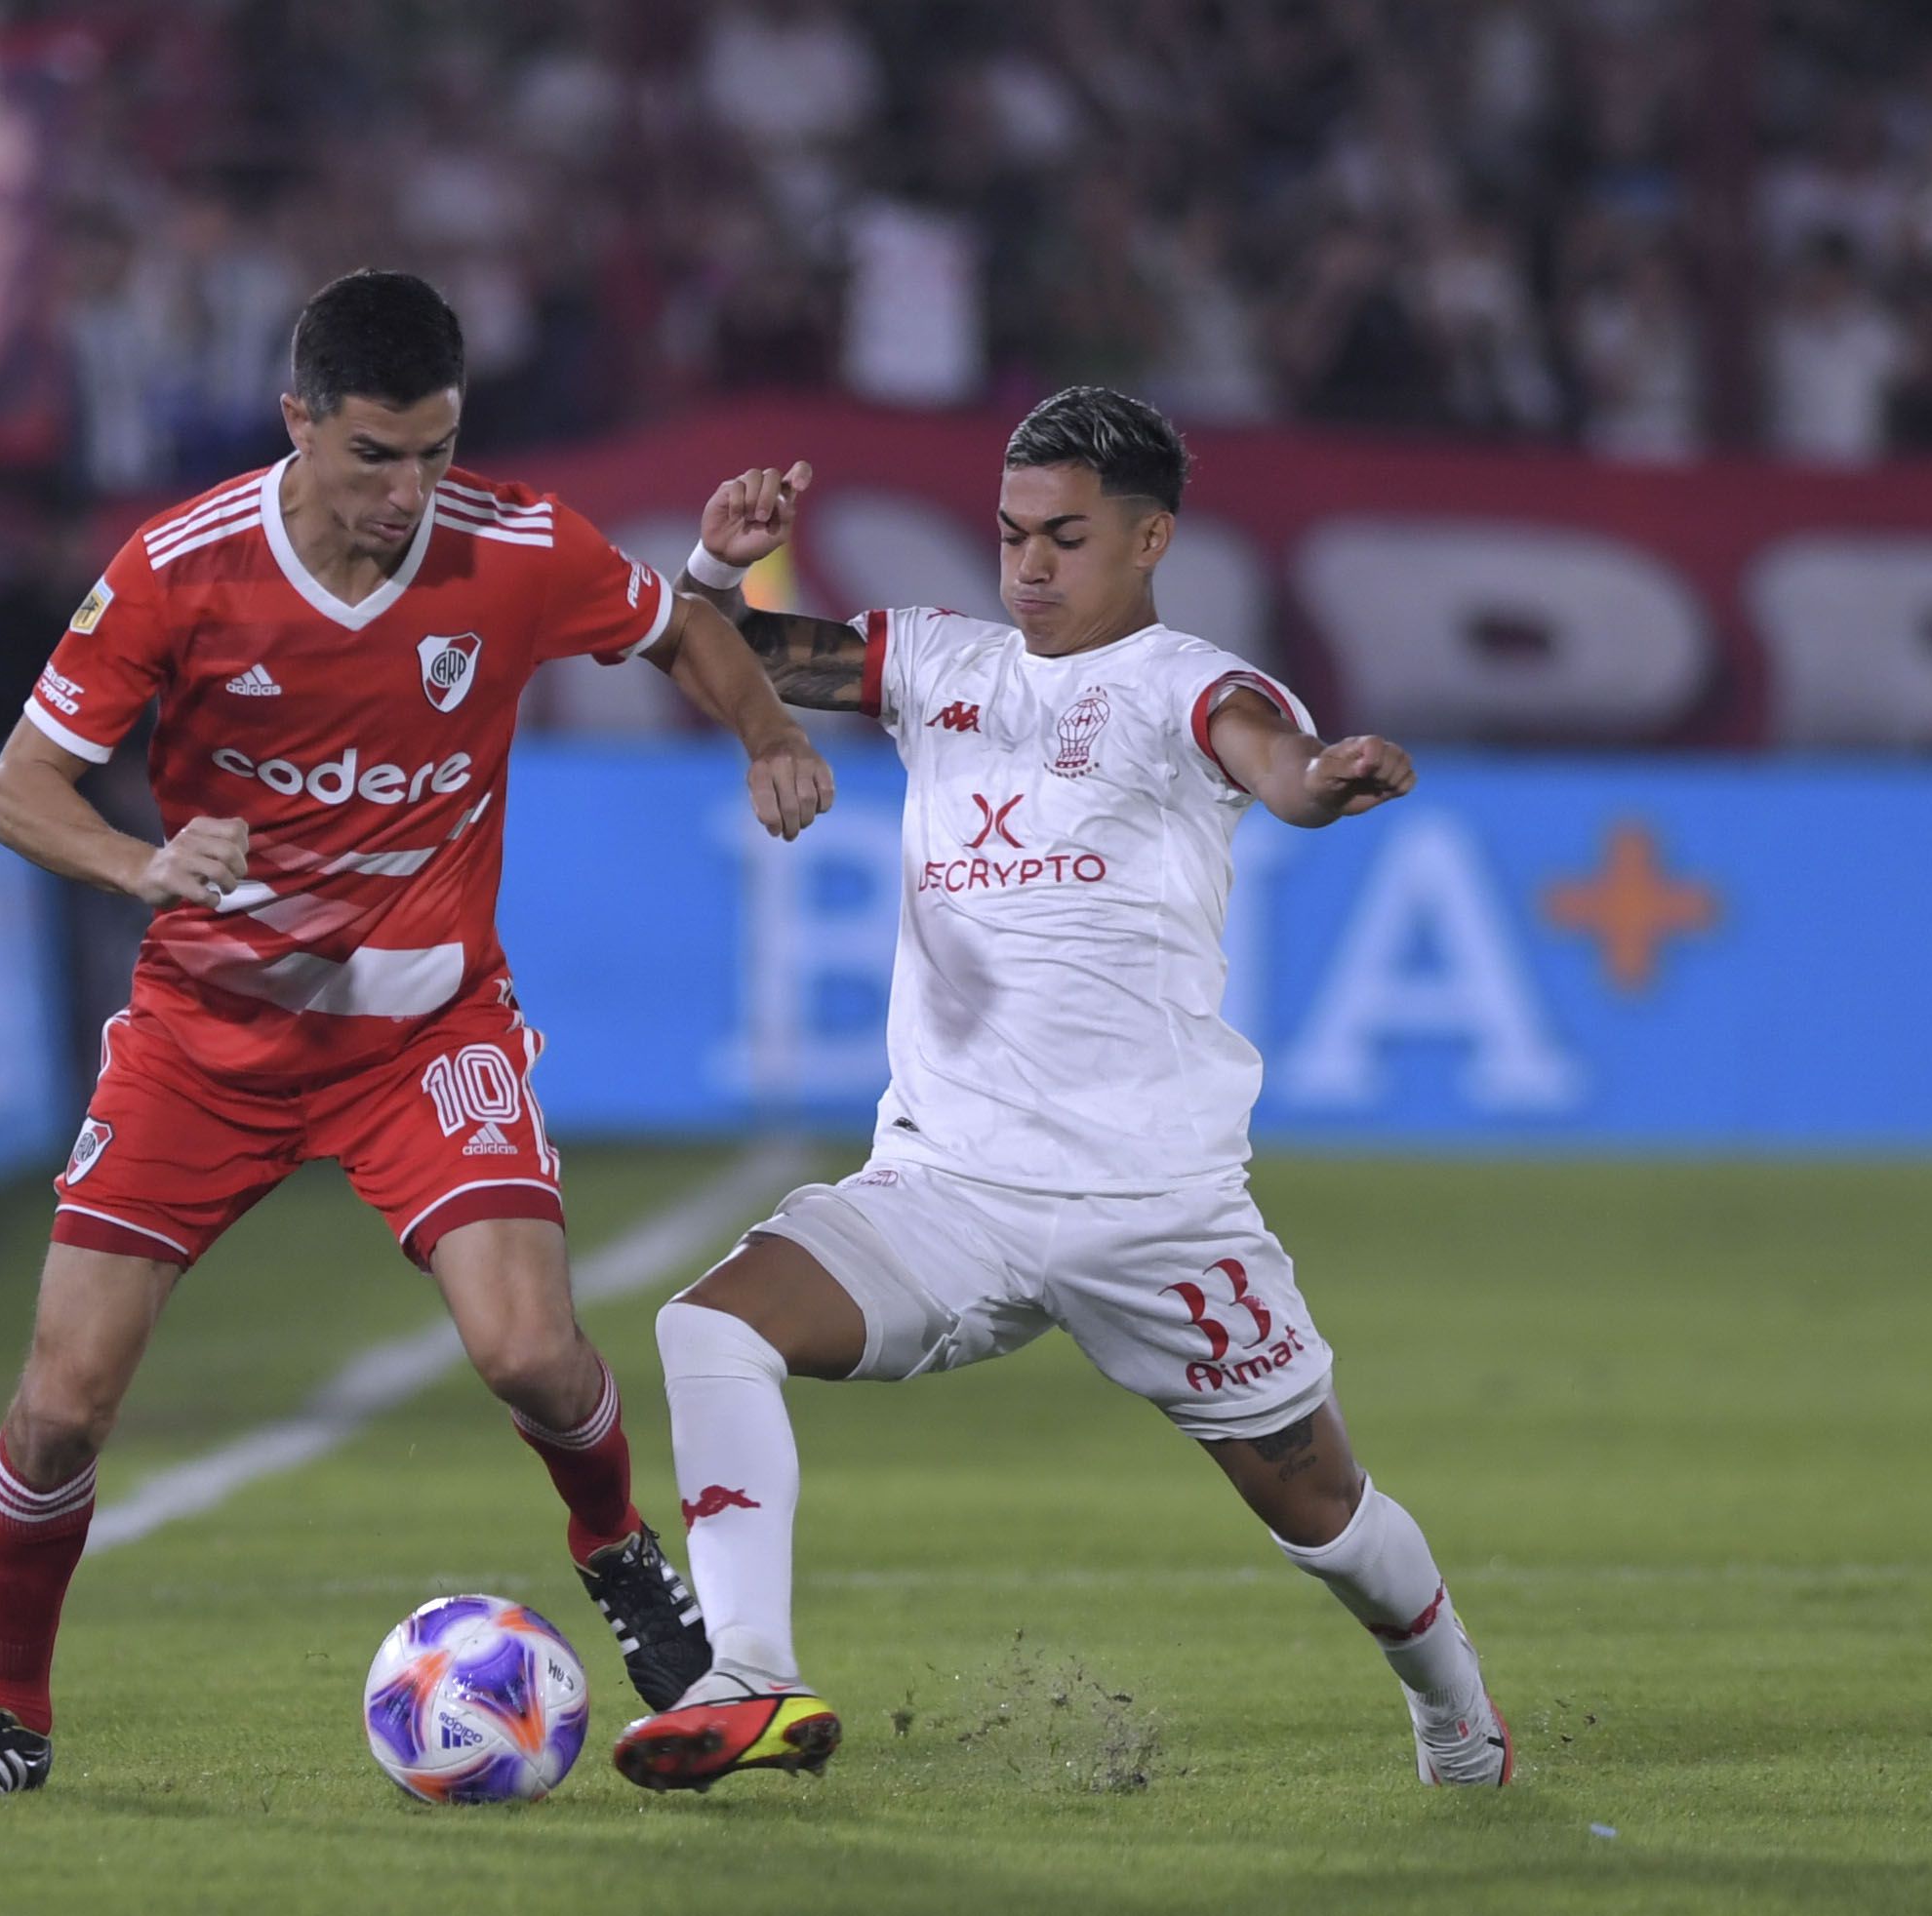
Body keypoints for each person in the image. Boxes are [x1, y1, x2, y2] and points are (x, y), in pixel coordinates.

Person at [0, 269, 835, 1796]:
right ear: (297, 422)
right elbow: (20, 789)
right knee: (63, 1404)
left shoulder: (515, 545)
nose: (408, 493)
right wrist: (144, 865)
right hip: (208, 1033)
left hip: (424, 1030)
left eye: (434, 452)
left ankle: (616, 1552)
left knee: (533, 1353)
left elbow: (679, 626)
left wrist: (771, 732)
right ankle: (15, 1712)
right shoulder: (177, 567)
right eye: (372, 457)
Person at [610, 388, 1509, 1792]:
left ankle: (1455, 1713)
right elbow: (717, 654)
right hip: (946, 1189)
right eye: (1011, 534)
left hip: (1151, 1210)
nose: (1026, 566)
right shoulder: (939, 664)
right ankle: (753, 1673)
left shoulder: (1189, 686)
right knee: (709, 1328)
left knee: (1318, 1507)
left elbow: (1272, 766)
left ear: (1150, 540)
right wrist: (716, 570)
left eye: (1064, 539)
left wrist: (1325, 780)